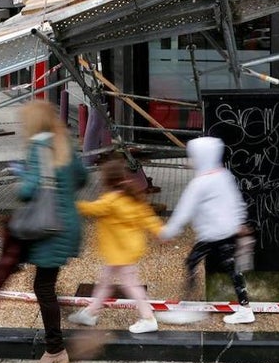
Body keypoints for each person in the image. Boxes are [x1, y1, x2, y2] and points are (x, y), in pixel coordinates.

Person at [15, 99, 88, 363]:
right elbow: (82, 179)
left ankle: (55, 352)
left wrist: (22, 177)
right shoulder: (65, 145)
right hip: (68, 226)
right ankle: (56, 351)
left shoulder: (37, 148)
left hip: (48, 229)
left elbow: (27, 191)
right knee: (47, 283)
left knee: (43, 288)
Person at [156, 136, 254, 325]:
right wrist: (240, 221)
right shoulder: (223, 175)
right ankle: (245, 308)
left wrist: (168, 232)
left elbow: (184, 211)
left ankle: (188, 305)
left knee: (191, 263)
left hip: (211, 235)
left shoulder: (199, 183)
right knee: (232, 269)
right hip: (227, 231)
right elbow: (236, 200)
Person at [69, 156, 164, 334]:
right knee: (105, 282)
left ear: (106, 181)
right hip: (125, 251)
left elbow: (91, 208)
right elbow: (148, 217)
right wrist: (160, 231)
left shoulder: (110, 201)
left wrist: (70, 203)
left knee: (130, 285)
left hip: (119, 253)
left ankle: (148, 318)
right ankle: (90, 313)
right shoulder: (132, 197)